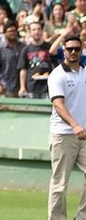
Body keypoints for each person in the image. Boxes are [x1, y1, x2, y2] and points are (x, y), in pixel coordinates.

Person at [47, 35, 86, 220]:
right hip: (63, 135)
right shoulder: (57, 75)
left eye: (76, 49)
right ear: (64, 50)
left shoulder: (85, 72)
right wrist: (75, 124)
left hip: (84, 135)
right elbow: (59, 105)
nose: (73, 52)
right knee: (60, 183)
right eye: (69, 49)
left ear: (81, 50)